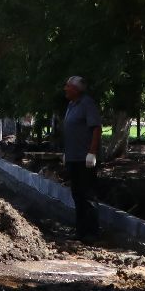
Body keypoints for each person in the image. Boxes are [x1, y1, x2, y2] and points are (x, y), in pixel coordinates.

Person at [61, 74, 104, 241]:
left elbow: (96, 128)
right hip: (73, 157)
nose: (65, 89)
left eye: (68, 86)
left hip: (85, 159)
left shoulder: (87, 104)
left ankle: (92, 233)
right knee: (77, 195)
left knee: (88, 196)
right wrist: (67, 152)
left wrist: (92, 152)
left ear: (76, 89)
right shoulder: (71, 105)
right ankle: (80, 231)